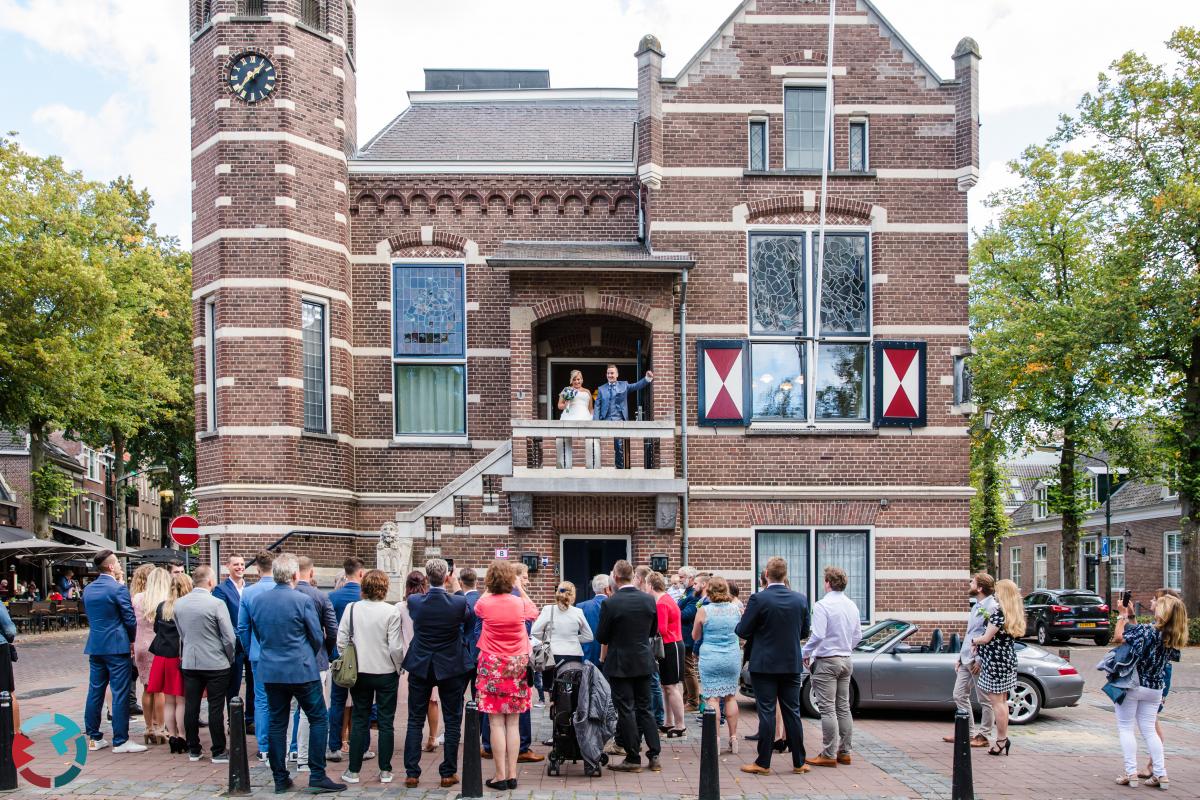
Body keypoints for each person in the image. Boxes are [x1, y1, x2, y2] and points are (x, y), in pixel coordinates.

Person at [246, 553, 344, 794]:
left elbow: (258, 634)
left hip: (272, 669)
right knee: (318, 717)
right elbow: (316, 636)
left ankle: (280, 777)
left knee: (278, 722)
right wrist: (307, 653)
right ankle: (317, 774)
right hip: (301, 669)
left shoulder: (258, 601)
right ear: (294, 575)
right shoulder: (302, 601)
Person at [401, 558, 474, 789]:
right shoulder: (458, 603)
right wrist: (454, 587)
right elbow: (467, 617)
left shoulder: (415, 602)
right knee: (453, 720)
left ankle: (412, 773)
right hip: (450, 665)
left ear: (426, 577)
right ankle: (447, 772)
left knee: (414, 719)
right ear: (447, 577)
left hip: (421, 664)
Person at [735, 556, 809, 776]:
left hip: (764, 664)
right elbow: (804, 632)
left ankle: (764, 762)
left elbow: (742, 630)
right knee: (792, 712)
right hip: (791, 663)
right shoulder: (800, 599)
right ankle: (799, 762)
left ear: (766, 574)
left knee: (767, 711)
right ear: (785, 575)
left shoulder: (759, 599)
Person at [1110, 590, 1187, 788]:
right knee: (1149, 732)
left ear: (1163, 611)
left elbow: (1119, 636)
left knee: (1126, 728)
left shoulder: (1148, 631)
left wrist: (1121, 615)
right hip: (1155, 689)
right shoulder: (1172, 636)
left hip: (1133, 685)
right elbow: (1140, 638)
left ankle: (1131, 773)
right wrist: (1132, 617)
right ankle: (1161, 775)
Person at [473, 560, 539, 790]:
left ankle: (499, 775)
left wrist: (490, 587)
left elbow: (477, 605)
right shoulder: (520, 604)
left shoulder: (485, 603)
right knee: (513, 721)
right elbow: (534, 611)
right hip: (517, 665)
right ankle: (512, 775)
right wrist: (519, 587)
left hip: (492, 665)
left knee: (495, 722)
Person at [338, 569, 405, 786]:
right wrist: (398, 667)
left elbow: (341, 641)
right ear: (385, 588)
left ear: (363, 587)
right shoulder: (391, 611)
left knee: (359, 720)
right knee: (386, 722)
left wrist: (349, 661)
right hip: (385, 672)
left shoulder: (352, 609)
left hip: (360, 672)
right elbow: (395, 646)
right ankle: (385, 770)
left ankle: (353, 770)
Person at [596, 559, 661, 773]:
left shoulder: (610, 603)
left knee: (626, 709)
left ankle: (633, 757)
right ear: (633, 575)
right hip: (643, 660)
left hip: (620, 663)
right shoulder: (648, 600)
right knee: (646, 708)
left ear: (615, 578)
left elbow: (602, 636)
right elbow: (653, 631)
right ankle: (654, 754)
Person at [82, 550, 146, 753]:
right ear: (110, 566)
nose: (119, 565)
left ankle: (94, 737)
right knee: (120, 692)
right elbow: (129, 619)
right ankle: (120, 740)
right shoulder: (118, 589)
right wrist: (133, 640)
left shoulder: (89, 589)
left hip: (96, 645)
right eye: (117, 562)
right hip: (117, 647)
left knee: (95, 690)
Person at [802, 566, 863, 768]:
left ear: (827, 582)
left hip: (827, 660)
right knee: (843, 707)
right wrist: (846, 648)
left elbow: (818, 634)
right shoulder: (852, 605)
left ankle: (828, 754)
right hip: (846, 659)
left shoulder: (822, 605)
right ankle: (845, 752)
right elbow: (858, 636)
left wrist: (806, 652)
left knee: (827, 709)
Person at [173, 565, 235, 763]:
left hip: (191, 661)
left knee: (191, 705)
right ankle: (218, 750)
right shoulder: (216, 604)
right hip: (216, 661)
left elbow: (182, 634)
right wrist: (229, 657)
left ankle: (194, 748)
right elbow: (228, 637)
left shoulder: (179, 604)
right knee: (215, 707)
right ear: (210, 581)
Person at [969, 578, 1025, 759]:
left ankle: (1001, 739)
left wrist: (974, 641)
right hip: (1006, 660)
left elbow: (986, 638)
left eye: (999, 591)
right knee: (1001, 701)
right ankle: (1001, 739)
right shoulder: (1012, 613)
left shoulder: (999, 613)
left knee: (997, 703)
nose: (996, 594)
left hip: (996, 662)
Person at [294, 556, 338, 773]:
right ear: (310, 572)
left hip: (283, 662)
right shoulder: (319, 596)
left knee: (284, 713)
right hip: (315, 661)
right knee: (313, 711)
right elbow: (332, 630)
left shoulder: (279, 595)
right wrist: (327, 652)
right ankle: (309, 759)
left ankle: (294, 755)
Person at [943, 573, 996, 748]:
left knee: (984, 699)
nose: (969, 584)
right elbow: (969, 634)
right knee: (959, 694)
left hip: (977, 660)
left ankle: (984, 735)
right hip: (966, 657)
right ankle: (966, 732)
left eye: (972, 582)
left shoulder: (992, 607)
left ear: (980, 588)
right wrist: (959, 656)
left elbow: (988, 636)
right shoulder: (976, 606)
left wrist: (980, 659)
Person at [693, 576, 742, 753]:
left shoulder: (704, 611)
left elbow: (695, 636)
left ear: (710, 592)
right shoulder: (736, 609)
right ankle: (734, 738)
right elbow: (741, 632)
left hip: (710, 657)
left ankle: (715, 740)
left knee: (712, 699)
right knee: (730, 697)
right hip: (731, 656)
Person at [236, 551, 277, 761]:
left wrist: (248, 647)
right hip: (281, 653)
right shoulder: (283, 589)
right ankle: (284, 743)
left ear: (258, 569)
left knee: (261, 700)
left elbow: (242, 626)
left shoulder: (249, 592)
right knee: (283, 700)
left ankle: (264, 746)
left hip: (258, 653)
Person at [1139, 588, 1183, 780]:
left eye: (1154, 599)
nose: (1151, 601)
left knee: (1152, 724)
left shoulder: (1160, 630)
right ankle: (1154, 767)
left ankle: (1155, 768)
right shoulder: (1168, 629)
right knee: (1151, 722)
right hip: (1160, 675)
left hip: (1156, 677)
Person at [326, 556, 365, 762]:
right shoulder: (364, 598)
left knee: (337, 702)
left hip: (339, 658)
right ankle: (362, 747)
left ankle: (334, 746)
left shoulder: (332, 597)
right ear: (360, 573)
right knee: (361, 704)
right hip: (362, 658)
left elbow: (328, 629)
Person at [149, 572, 193, 754]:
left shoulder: (162, 606)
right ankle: (183, 736)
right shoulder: (187, 606)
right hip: (179, 657)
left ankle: (172, 735)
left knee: (168, 700)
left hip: (162, 657)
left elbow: (156, 629)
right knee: (181, 700)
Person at [398, 571, 441, 754]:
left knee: (414, 706)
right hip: (431, 656)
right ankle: (433, 737)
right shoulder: (429, 605)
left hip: (409, 658)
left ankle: (413, 741)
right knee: (432, 701)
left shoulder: (401, 607)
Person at [212, 554, 252, 731]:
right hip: (233, 644)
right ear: (228, 566)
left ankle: (250, 719)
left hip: (250, 643)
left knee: (253, 682)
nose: (240, 567)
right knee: (233, 683)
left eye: (242, 564)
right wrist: (236, 636)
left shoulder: (250, 589)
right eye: (236, 564)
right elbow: (222, 617)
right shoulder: (221, 590)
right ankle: (233, 721)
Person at [531, 580, 594, 691]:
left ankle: (553, 706)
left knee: (552, 689)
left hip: (552, 656)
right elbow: (589, 636)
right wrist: (574, 638)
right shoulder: (578, 612)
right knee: (572, 688)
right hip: (573, 656)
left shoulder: (548, 609)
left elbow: (535, 631)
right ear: (573, 595)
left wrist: (548, 639)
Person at [131, 564, 167, 745]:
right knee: (159, 689)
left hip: (140, 646)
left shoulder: (138, 598)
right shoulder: (164, 600)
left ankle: (148, 727)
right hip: (157, 645)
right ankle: (160, 728)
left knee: (146, 687)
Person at [592, 364, 654, 468]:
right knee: (602, 445)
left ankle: (619, 467)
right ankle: (601, 467)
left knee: (618, 445)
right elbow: (597, 406)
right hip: (605, 420)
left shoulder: (624, 385)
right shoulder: (601, 389)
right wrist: (596, 422)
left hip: (619, 419)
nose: (610, 375)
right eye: (608, 373)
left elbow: (636, 386)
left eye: (612, 373)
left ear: (617, 374)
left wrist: (647, 378)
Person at [648, 572, 686, 737]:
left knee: (671, 686)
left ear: (650, 586)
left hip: (671, 645)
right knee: (666, 686)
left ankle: (680, 724)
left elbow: (661, 629)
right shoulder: (666, 599)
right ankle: (669, 721)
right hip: (671, 645)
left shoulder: (662, 603)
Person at [556, 369, 597, 468]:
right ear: (571, 380)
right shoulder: (567, 390)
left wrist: (593, 418)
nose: (577, 381)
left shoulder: (587, 391)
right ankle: (565, 464)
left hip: (585, 417)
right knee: (565, 441)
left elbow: (591, 408)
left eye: (578, 379)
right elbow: (559, 405)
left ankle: (591, 464)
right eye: (574, 379)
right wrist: (566, 404)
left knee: (589, 441)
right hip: (570, 416)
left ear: (582, 380)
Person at [677, 567, 702, 711]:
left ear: (691, 578)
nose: (680, 580)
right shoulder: (686, 593)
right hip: (683, 635)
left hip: (687, 636)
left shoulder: (693, 595)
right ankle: (687, 698)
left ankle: (693, 701)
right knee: (685, 669)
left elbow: (686, 615)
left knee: (688, 669)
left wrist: (673, 611)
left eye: (682, 577)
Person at [577, 574, 610, 667]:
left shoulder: (581, 607)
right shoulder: (614, 605)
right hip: (609, 656)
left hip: (588, 654)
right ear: (607, 588)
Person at [459, 568, 481, 696]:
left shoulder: (461, 601)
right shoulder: (483, 600)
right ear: (476, 581)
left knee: (458, 694)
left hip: (464, 652)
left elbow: (459, 630)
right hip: (481, 653)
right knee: (477, 695)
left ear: (461, 583)